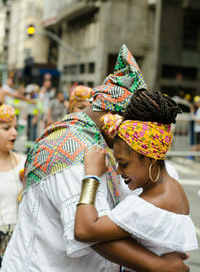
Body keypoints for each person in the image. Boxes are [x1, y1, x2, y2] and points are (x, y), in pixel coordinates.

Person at [1, 45, 189, 272]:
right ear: (114, 118)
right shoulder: (72, 149)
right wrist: (158, 264)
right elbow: (86, 232)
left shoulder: (91, 141)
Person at [74, 89, 198, 271]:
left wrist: (91, 175)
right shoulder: (174, 187)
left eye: (124, 164)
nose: (118, 171)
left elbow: (83, 231)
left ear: (150, 158)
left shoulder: (148, 205)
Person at [0, 104, 26, 267]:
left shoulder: (23, 163)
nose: (14, 133)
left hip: (16, 241)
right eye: (6, 128)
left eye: (15, 128)